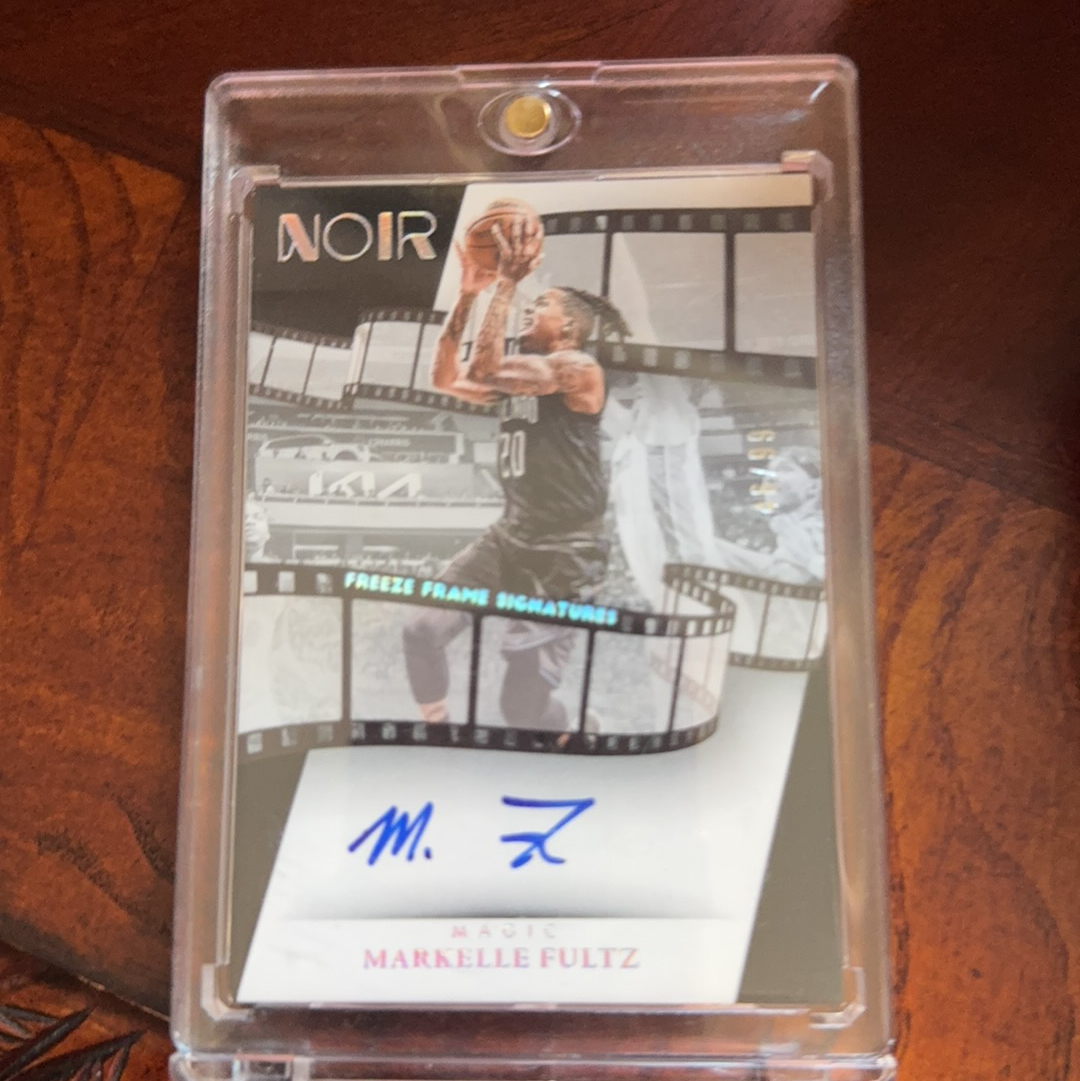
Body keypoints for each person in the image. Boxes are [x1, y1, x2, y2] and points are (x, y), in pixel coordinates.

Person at [402, 215, 629, 730]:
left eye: (542, 304)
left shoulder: (578, 369)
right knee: (420, 630)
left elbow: (485, 369)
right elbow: (445, 378)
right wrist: (467, 295)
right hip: (510, 538)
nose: (531, 305)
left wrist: (505, 284)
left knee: (520, 711)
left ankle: (577, 728)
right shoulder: (522, 381)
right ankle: (438, 732)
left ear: (568, 328)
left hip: (564, 554)